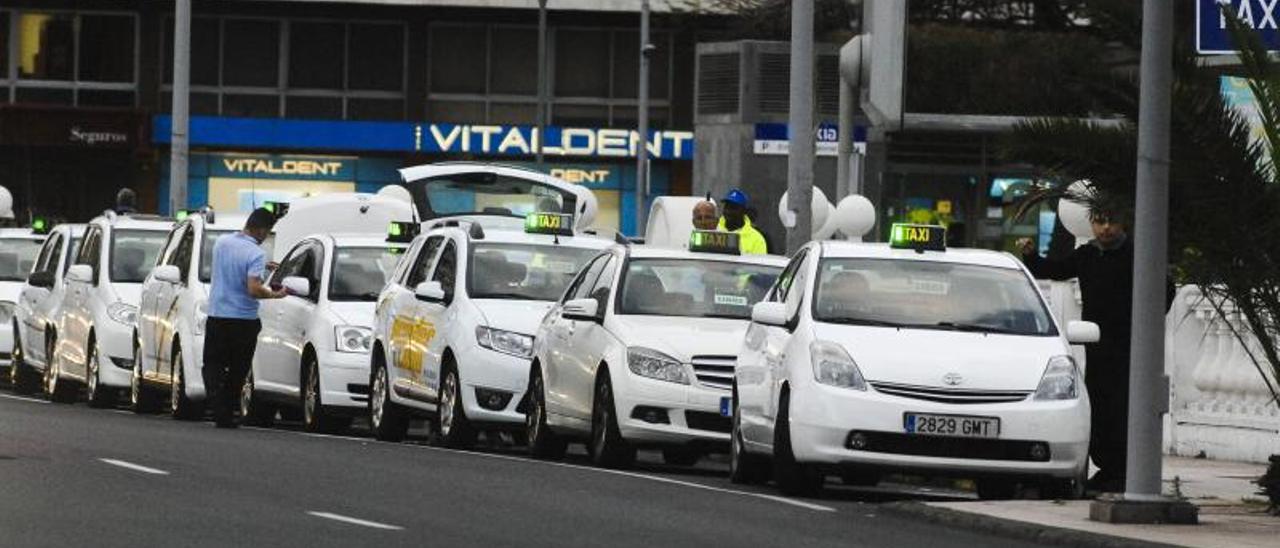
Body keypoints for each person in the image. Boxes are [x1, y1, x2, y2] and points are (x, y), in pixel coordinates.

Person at [1017, 209, 1171, 494]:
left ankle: (1124, 470)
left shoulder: (1138, 255)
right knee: (1099, 406)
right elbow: (1056, 270)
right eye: (1100, 222)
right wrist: (1030, 256)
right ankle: (1108, 468)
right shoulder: (1088, 255)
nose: (1106, 228)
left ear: (1123, 222)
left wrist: (1143, 325)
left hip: (1131, 347)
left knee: (1124, 407)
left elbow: (1166, 291)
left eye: (1111, 221)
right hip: (1098, 346)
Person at [203, 207, 286, 428]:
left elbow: (233, 264)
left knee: (213, 363)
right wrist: (275, 294)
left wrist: (261, 267)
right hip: (243, 319)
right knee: (238, 368)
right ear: (260, 230)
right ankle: (226, 412)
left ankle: (214, 399)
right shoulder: (256, 254)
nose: (266, 236)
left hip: (217, 314)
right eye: (267, 232)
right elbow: (254, 289)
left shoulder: (222, 242)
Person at [717, 189, 768, 255]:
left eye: (733, 208)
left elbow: (760, 263)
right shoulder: (713, 231)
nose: (728, 211)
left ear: (744, 211)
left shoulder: (757, 239)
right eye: (726, 207)